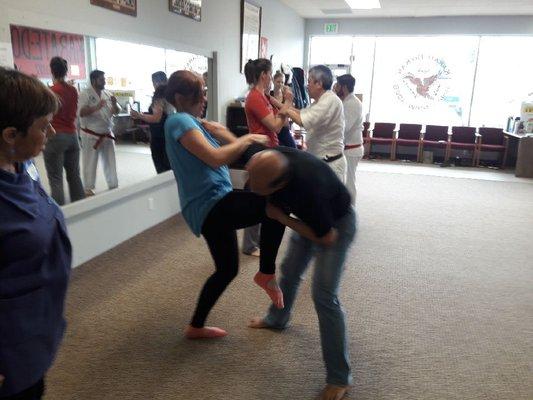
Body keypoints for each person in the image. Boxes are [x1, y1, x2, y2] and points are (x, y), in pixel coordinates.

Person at [163, 70, 286, 339]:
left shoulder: (193, 122)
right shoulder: (179, 121)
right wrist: (247, 137)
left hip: (212, 205)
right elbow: (216, 158)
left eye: (205, 92)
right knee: (275, 204)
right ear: (180, 98)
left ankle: (195, 326)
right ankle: (266, 273)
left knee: (227, 269)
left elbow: (234, 152)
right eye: (200, 94)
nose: (204, 98)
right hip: (213, 204)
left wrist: (227, 134)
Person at [246, 147, 356, 400]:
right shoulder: (269, 158)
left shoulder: (309, 189)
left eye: (257, 186)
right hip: (308, 219)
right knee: (290, 271)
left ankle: (340, 378)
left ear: (280, 184)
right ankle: (277, 318)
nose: (250, 186)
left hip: (336, 225)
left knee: (324, 296)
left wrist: (282, 218)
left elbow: (327, 237)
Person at [0, 67, 72, 400]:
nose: (52, 133)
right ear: (10, 135)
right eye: (44, 127)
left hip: (34, 327)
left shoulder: (20, 165)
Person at [241, 59, 293, 257]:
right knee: (257, 197)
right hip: (259, 150)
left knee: (268, 196)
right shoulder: (254, 97)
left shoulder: (264, 96)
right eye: (270, 73)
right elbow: (275, 125)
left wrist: (285, 106)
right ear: (263, 74)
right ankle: (249, 245)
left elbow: (283, 123)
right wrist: (286, 104)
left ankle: (259, 241)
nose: (272, 77)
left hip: (270, 148)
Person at [279, 65, 346, 182]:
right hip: (321, 160)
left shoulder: (330, 100)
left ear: (319, 83)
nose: (306, 85)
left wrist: (287, 106)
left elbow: (302, 121)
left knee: (328, 199)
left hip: (330, 163)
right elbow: (302, 113)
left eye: (309, 81)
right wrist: (279, 103)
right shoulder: (321, 101)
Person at [42, 57, 85, 205]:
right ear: (66, 71)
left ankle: (59, 213)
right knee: (74, 176)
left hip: (55, 136)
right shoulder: (73, 90)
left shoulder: (50, 91)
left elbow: (44, 115)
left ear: (52, 71)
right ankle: (81, 208)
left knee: (56, 179)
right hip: (72, 136)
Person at [78, 69, 120, 196]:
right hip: (91, 133)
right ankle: (89, 187)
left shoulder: (107, 94)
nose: (104, 82)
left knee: (110, 161)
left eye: (104, 79)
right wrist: (97, 107)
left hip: (107, 132)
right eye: (102, 79)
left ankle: (113, 183)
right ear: (94, 80)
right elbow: (81, 112)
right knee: (90, 162)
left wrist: (114, 103)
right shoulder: (85, 94)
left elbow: (116, 111)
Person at [130, 71, 173, 173]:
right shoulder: (171, 93)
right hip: (170, 133)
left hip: (160, 135)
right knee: (170, 166)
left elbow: (156, 118)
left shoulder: (159, 94)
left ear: (156, 82)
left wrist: (139, 115)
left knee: (162, 167)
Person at [334, 74, 364, 203]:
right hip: (346, 148)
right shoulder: (345, 101)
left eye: (338, 85)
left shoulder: (353, 103)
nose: (335, 87)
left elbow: (344, 128)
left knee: (349, 183)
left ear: (344, 87)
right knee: (342, 180)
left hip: (352, 149)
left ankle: (350, 213)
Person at [271, 70, 297, 149]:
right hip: (273, 128)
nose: (280, 84)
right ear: (273, 81)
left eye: (282, 82)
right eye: (278, 82)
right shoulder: (269, 95)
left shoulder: (286, 96)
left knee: (294, 148)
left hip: (285, 128)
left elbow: (291, 110)